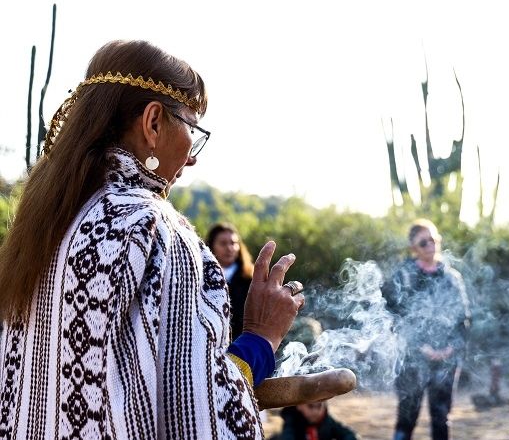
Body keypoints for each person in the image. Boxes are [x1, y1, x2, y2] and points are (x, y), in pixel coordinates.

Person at [0, 40, 304, 439]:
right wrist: (261, 337)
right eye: (192, 130)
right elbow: (196, 417)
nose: (193, 156)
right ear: (154, 122)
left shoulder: (45, 225)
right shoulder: (155, 229)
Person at [381, 219, 470, 440]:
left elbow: (464, 319)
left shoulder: (452, 278)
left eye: (433, 240)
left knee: (441, 419)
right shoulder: (403, 277)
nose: (430, 245)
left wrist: (450, 348)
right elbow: (394, 317)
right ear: (413, 247)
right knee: (406, 418)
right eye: (423, 242)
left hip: (447, 361)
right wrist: (421, 347)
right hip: (412, 359)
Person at [208, 222, 255, 339]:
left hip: (243, 346)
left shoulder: (251, 279)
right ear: (211, 246)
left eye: (233, 243)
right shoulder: (202, 279)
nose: (229, 248)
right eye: (223, 243)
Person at [276, 402, 358, 440]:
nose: (316, 412)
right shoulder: (292, 419)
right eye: (310, 406)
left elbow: (348, 434)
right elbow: (287, 436)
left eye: (319, 406)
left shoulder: (326, 421)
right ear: (299, 406)